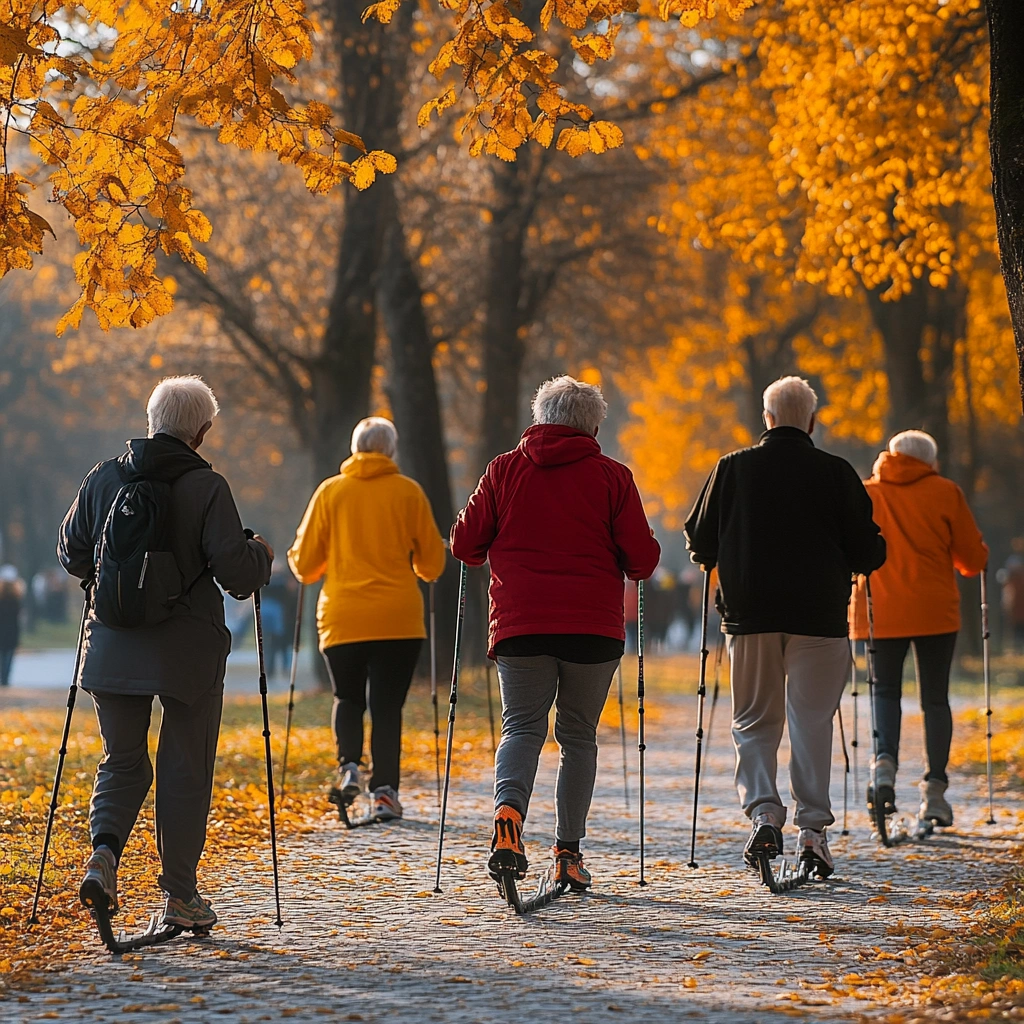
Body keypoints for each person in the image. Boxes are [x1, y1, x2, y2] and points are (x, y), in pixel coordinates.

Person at [58, 375, 273, 931]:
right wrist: (260, 553)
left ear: (151, 420)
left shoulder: (104, 477)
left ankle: (103, 856)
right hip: (188, 654)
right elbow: (236, 574)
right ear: (201, 433)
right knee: (184, 768)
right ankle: (179, 894)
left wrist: (113, 588)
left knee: (122, 760)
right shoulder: (207, 487)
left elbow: (72, 552)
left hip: (111, 645)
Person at [451, 376, 661, 892]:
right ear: (592, 426)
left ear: (540, 418)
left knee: (522, 728)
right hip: (592, 630)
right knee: (577, 738)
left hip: (521, 627)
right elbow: (644, 559)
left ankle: (508, 818)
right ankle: (568, 852)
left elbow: (464, 544)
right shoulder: (613, 477)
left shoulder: (503, 470)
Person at [684, 376, 885, 879]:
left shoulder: (732, 469)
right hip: (819, 618)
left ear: (766, 418)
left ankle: (764, 814)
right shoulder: (837, 473)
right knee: (812, 722)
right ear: (811, 421)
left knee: (753, 720)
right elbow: (868, 551)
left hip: (749, 616)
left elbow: (699, 540)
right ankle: (813, 832)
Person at [288, 417, 446, 821]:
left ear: (355, 448)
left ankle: (349, 768)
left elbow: (305, 567)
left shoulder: (330, 492)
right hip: (398, 619)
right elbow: (431, 566)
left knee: (348, 698)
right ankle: (385, 794)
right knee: (387, 707)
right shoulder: (409, 493)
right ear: (391, 451)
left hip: (343, 617)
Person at [850, 430, 988, 827]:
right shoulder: (945, 491)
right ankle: (935, 792)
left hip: (880, 609)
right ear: (931, 460)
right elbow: (972, 560)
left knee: (885, 691)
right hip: (934, 611)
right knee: (934, 699)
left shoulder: (866, 493)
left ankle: (884, 766)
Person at [0, 565, 24, 686]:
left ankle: (3, 680)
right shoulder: (16, 599)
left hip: (3, 632)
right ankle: (5, 680)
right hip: (11, 633)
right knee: (8, 659)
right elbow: (17, 620)